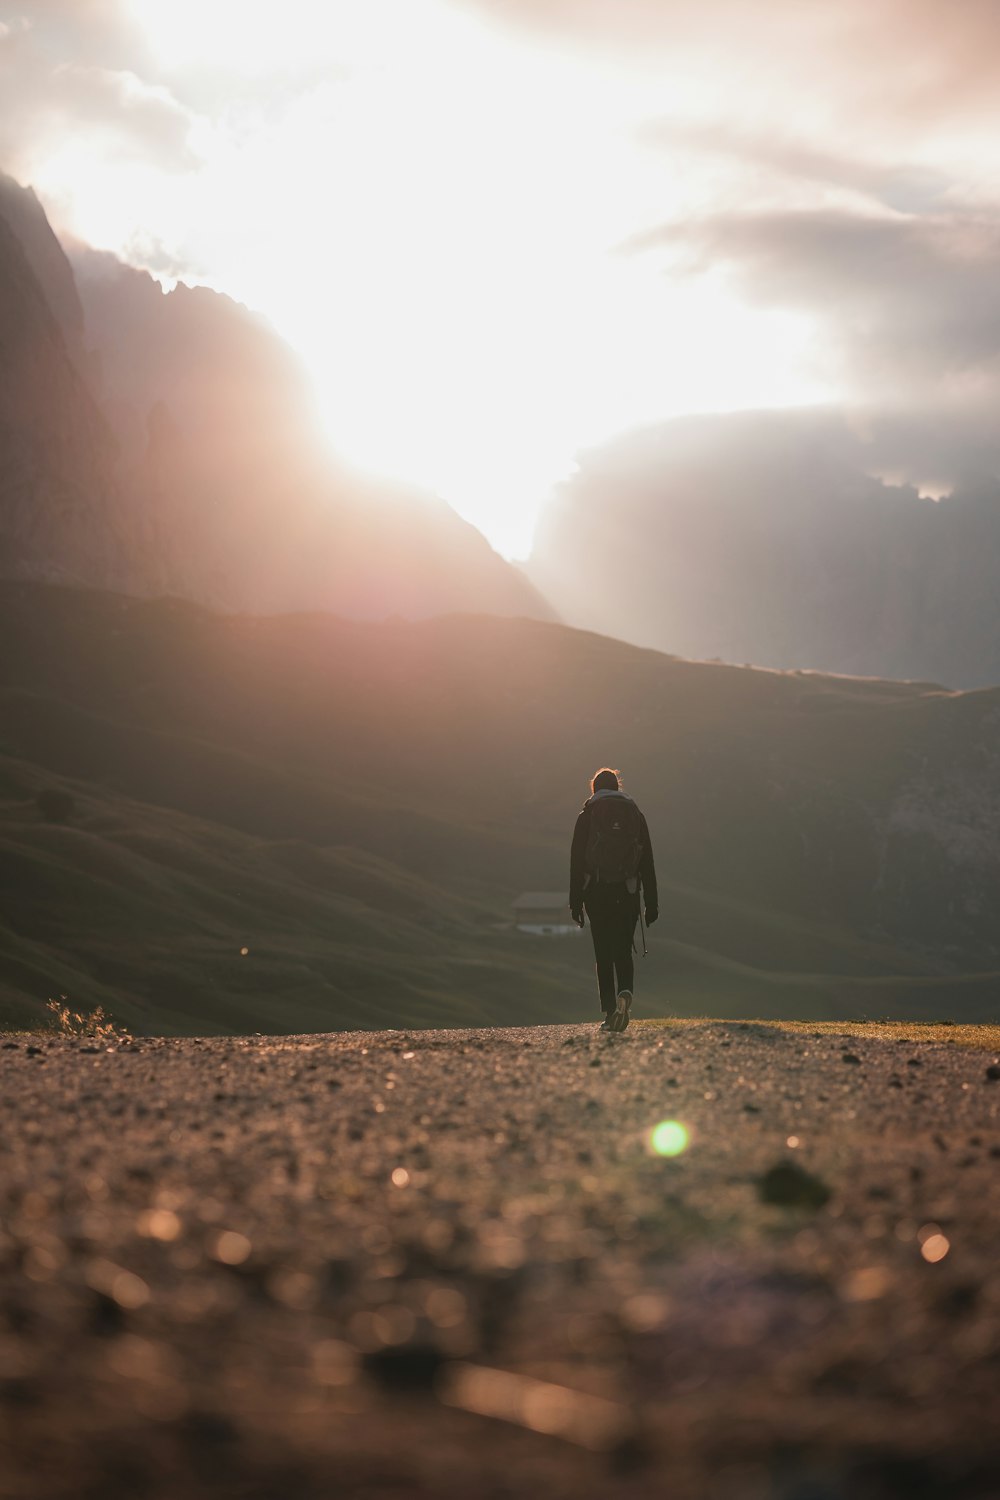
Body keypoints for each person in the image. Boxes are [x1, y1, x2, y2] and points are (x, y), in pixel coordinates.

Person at [569, 768, 658, 1033]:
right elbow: (647, 862)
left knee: (603, 952)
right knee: (623, 948)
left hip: (597, 893)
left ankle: (610, 1013)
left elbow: (575, 862)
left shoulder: (587, 816)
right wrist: (652, 903)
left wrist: (575, 903)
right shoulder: (635, 815)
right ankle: (625, 994)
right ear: (617, 788)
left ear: (594, 789)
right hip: (627, 893)